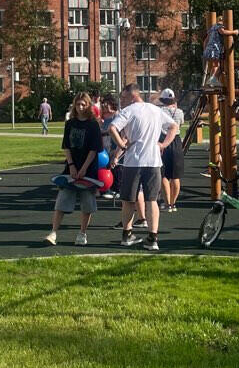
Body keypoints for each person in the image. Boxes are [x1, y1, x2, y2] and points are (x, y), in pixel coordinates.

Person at [109, 83, 179, 252]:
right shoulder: (156, 110)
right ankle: (152, 238)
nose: (121, 101)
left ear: (132, 96)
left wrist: (121, 146)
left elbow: (112, 128)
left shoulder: (128, 111)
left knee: (128, 200)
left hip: (133, 162)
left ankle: (127, 235)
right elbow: (174, 126)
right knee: (151, 200)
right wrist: (163, 144)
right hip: (153, 162)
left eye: (123, 98)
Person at [45, 92, 102, 245]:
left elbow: (94, 149)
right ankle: (53, 233)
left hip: (89, 170)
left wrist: (83, 169)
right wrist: (71, 166)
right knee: (62, 200)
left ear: (88, 105)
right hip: (71, 168)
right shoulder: (70, 123)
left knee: (87, 204)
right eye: (78, 104)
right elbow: (66, 146)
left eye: (83, 104)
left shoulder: (93, 125)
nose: (80, 107)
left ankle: (82, 233)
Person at [157, 88, 185, 212]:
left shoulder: (159, 111)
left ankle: (167, 203)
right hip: (176, 140)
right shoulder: (180, 112)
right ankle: (173, 204)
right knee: (176, 176)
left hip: (164, 140)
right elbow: (181, 124)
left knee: (164, 174)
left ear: (162, 100)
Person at [202, 19, 238, 87]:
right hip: (215, 48)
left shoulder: (212, 28)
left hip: (209, 48)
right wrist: (234, 32)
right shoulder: (219, 26)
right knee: (218, 66)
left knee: (215, 65)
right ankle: (212, 81)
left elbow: (206, 40)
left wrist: (205, 49)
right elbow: (222, 32)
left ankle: (211, 81)